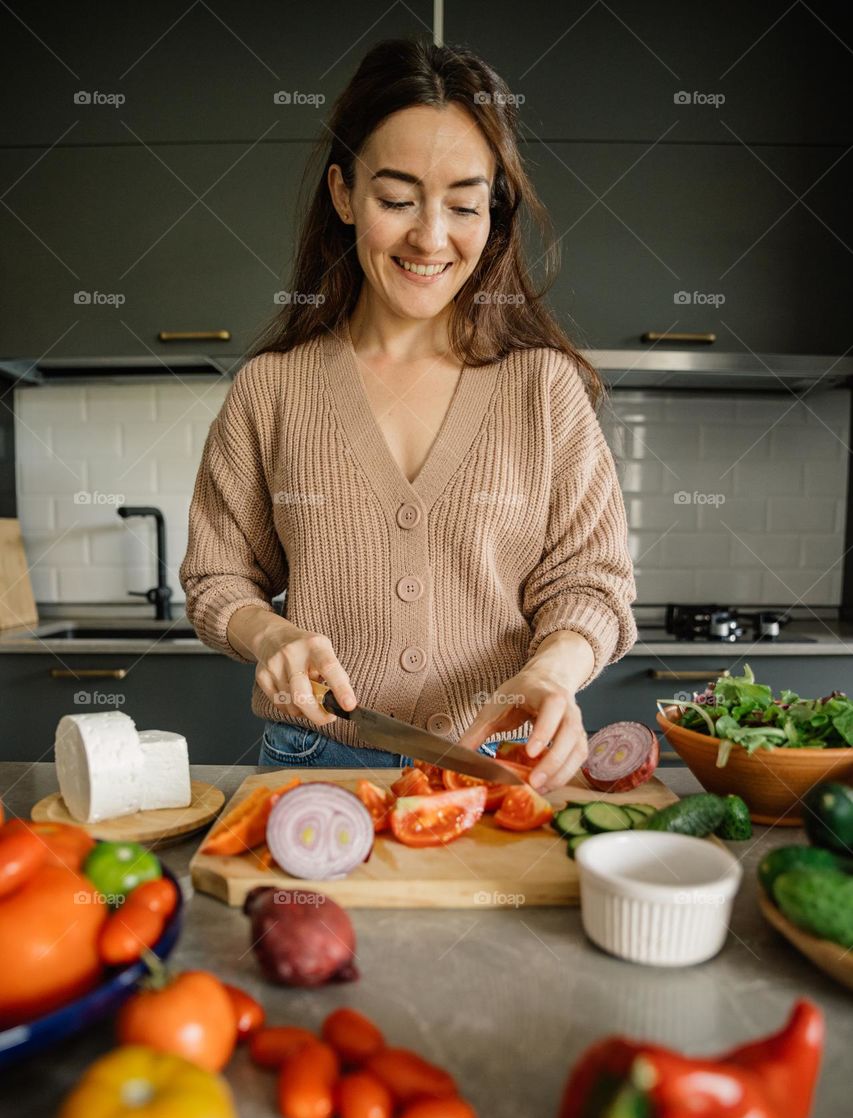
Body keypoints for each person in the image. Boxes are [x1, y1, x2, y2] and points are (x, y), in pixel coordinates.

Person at [179, 38, 637, 787]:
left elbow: (591, 582)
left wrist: (553, 671)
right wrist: (268, 636)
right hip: (313, 763)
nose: (430, 237)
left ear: (493, 211)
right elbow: (218, 575)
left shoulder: (543, 389)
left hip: (491, 762)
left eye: (463, 204)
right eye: (395, 200)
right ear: (342, 195)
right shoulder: (271, 391)